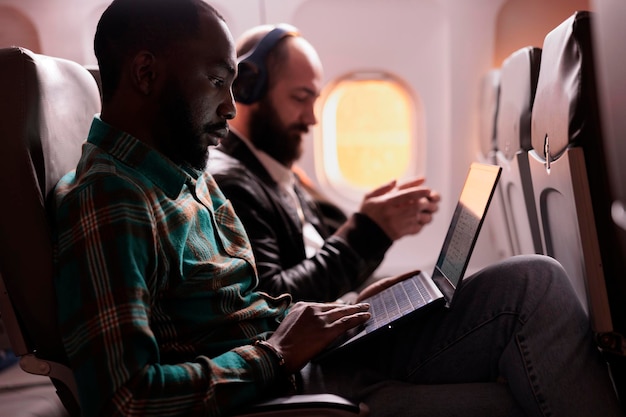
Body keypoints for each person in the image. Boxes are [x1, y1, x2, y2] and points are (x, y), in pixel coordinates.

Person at [51, 1, 623, 416]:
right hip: (285, 387)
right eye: (217, 81)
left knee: (530, 291)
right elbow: (125, 400)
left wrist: (347, 307)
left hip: (307, 358)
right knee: (532, 312)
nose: (230, 105)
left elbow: (238, 308)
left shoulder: (181, 170)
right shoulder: (112, 199)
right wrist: (277, 355)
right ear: (146, 73)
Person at [208, 23, 440, 303]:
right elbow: (272, 300)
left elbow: (319, 259)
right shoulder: (232, 184)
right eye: (300, 98)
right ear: (246, 88)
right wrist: (369, 232)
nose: (312, 118)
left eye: (314, 100)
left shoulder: (277, 172)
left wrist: (381, 223)